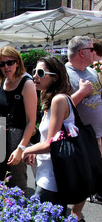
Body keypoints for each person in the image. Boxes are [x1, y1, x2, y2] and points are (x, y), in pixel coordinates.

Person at [22, 56, 75, 213]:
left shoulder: (59, 100)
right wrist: (35, 151)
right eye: (34, 72)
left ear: (55, 77)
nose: (35, 76)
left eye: (40, 72)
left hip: (53, 177)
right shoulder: (49, 99)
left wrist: (26, 150)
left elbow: (51, 143)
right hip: (47, 171)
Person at [0, 46, 37, 193]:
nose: (6, 67)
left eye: (10, 62)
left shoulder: (27, 83)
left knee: (17, 185)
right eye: (2, 64)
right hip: (0, 136)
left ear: (17, 62)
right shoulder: (3, 82)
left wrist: (21, 149)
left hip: (17, 138)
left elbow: (31, 121)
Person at [65, 36, 102, 222]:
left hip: (96, 135)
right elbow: (59, 107)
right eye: (91, 48)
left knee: (90, 178)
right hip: (77, 137)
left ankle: (76, 215)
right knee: (76, 178)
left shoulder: (92, 72)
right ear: (82, 52)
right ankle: (68, 217)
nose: (94, 51)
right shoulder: (64, 74)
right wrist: (80, 93)